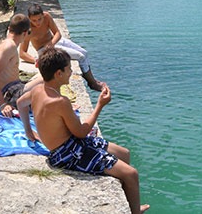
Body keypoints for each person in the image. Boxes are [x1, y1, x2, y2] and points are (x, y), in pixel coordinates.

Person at [17, 48, 149, 214]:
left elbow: (21, 104)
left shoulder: (37, 90)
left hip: (71, 144)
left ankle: (128, 202)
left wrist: (28, 130)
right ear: (58, 73)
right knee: (131, 174)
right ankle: (134, 212)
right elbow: (81, 132)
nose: (71, 71)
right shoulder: (60, 101)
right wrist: (100, 105)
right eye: (69, 68)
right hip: (67, 154)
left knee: (124, 153)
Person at [18, 3, 104, 91]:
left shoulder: (47, 16)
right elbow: (22, 53)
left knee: (84, 52)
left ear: (43, 15)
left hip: (55, 41)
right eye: (34, 20)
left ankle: (92, 80)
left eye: (40, 19)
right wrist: (36, 60)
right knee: (80, 56)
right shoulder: (28, 29)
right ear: (29, 18)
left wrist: (52, 43)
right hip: (44, 49)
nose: (37, 23)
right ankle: (92, 83)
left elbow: (58, 33)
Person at [0, 14, 42, 117]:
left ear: (9, 29)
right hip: (11, 94)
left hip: (16, 88)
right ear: (25, 33)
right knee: (49, 77)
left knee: (44, 76)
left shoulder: (7, 43)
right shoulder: (9, 46)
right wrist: (3, 105)